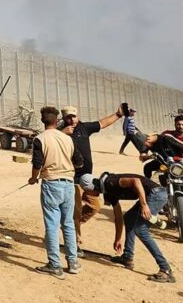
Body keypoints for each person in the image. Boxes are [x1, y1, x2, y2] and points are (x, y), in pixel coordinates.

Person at [88, 171, 175, 283]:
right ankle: (127, 257)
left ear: (93, 187)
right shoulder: (107, 192)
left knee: (141, 230)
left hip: (156, 194)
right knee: (129, 218)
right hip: (150, 195)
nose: (89, 195)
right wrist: (117, 239)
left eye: (88, 191)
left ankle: (165, 269)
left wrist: (144, 205)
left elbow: (136, 181)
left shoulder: (110, 182)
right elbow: (118, 216)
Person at [29, 106, 84, 279]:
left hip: (51, 184)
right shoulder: (67, 138)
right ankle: (73, 263)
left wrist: (33, 178)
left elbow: (37, 163)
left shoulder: (40, 139)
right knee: (67, 224)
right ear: (57, 120)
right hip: (69, 184)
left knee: (52, 225)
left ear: (43, 120)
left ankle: (54, 265)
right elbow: (80, 162)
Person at [60, 104, 124, 252]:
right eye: (68, 117)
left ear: (78, 116)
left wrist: (118, 115)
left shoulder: (84, 128)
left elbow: (102, 123)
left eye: (73, 116)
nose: (71, 120)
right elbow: (48, 139)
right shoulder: (59, 132)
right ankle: (75, 240)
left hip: (87, 178)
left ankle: (71, 226)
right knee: (75, 210)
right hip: (71, 178)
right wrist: (63, 133)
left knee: (95, 206)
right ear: (64, 118)